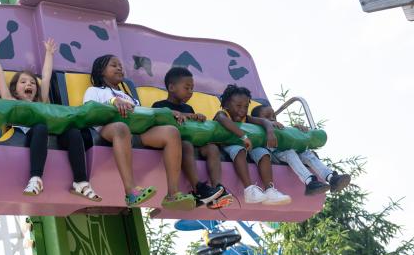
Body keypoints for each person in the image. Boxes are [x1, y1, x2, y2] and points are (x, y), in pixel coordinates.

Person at [0, 35, 101, 202]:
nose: (29, 85)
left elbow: (46, 77)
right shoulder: (11, 101)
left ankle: (80, 181)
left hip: (52, 134)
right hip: (31, 135)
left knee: (73, 132)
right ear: (15, 90)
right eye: (23, 82)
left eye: (32, 83)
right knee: (40, 126)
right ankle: (36, 178)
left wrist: (49, 54)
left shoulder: (41, 101)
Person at [83, 54, 195, 210]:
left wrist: (168, 112)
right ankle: (131, 191)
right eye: (113, 65)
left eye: (120, 65)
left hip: (137, 132)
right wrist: (114, 101)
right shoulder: (94, 90)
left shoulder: (129, 96)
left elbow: (144, 113)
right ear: (101, 71)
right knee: (121, 128)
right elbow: (90, 110)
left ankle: (172, 193)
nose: (119, 68)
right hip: (110, 130)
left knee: (171, 132)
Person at [152, 67, 233, 209]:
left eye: (192, 88)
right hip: (179, 143)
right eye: (187, 88)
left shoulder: (189, 108)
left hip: (195, 142)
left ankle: (217, 189)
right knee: (186, 145)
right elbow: (160, 116)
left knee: (212, 148)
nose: (191, 92)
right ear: (171, 87)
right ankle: (198, 188)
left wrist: (198, 118)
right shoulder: (159, 105)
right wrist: (182, 115)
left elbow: (193, 128)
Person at [214, 84, 291, 205]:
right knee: (239, 150)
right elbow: (224, 121)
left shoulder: (246, 118)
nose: (242, 110)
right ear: (226, 105)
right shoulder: (222, 114)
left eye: (245, 106)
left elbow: (264, 121)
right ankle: (249, 190)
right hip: (227, 146)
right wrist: (243, 136)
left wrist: (270, 132)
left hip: (247, 146)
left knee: (263, 153)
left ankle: (270, 190)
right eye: (238, 106)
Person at [251, 104, 351, 194]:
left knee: (306, 153)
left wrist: (296, 130)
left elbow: (289, 137)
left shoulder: (278, 127)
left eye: (274, 116)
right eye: (267, 117)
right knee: (290, 153)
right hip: (275, 154)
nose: (272, 119)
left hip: (289, 150)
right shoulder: (259, 130)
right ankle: (310, 182)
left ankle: (331, 177)